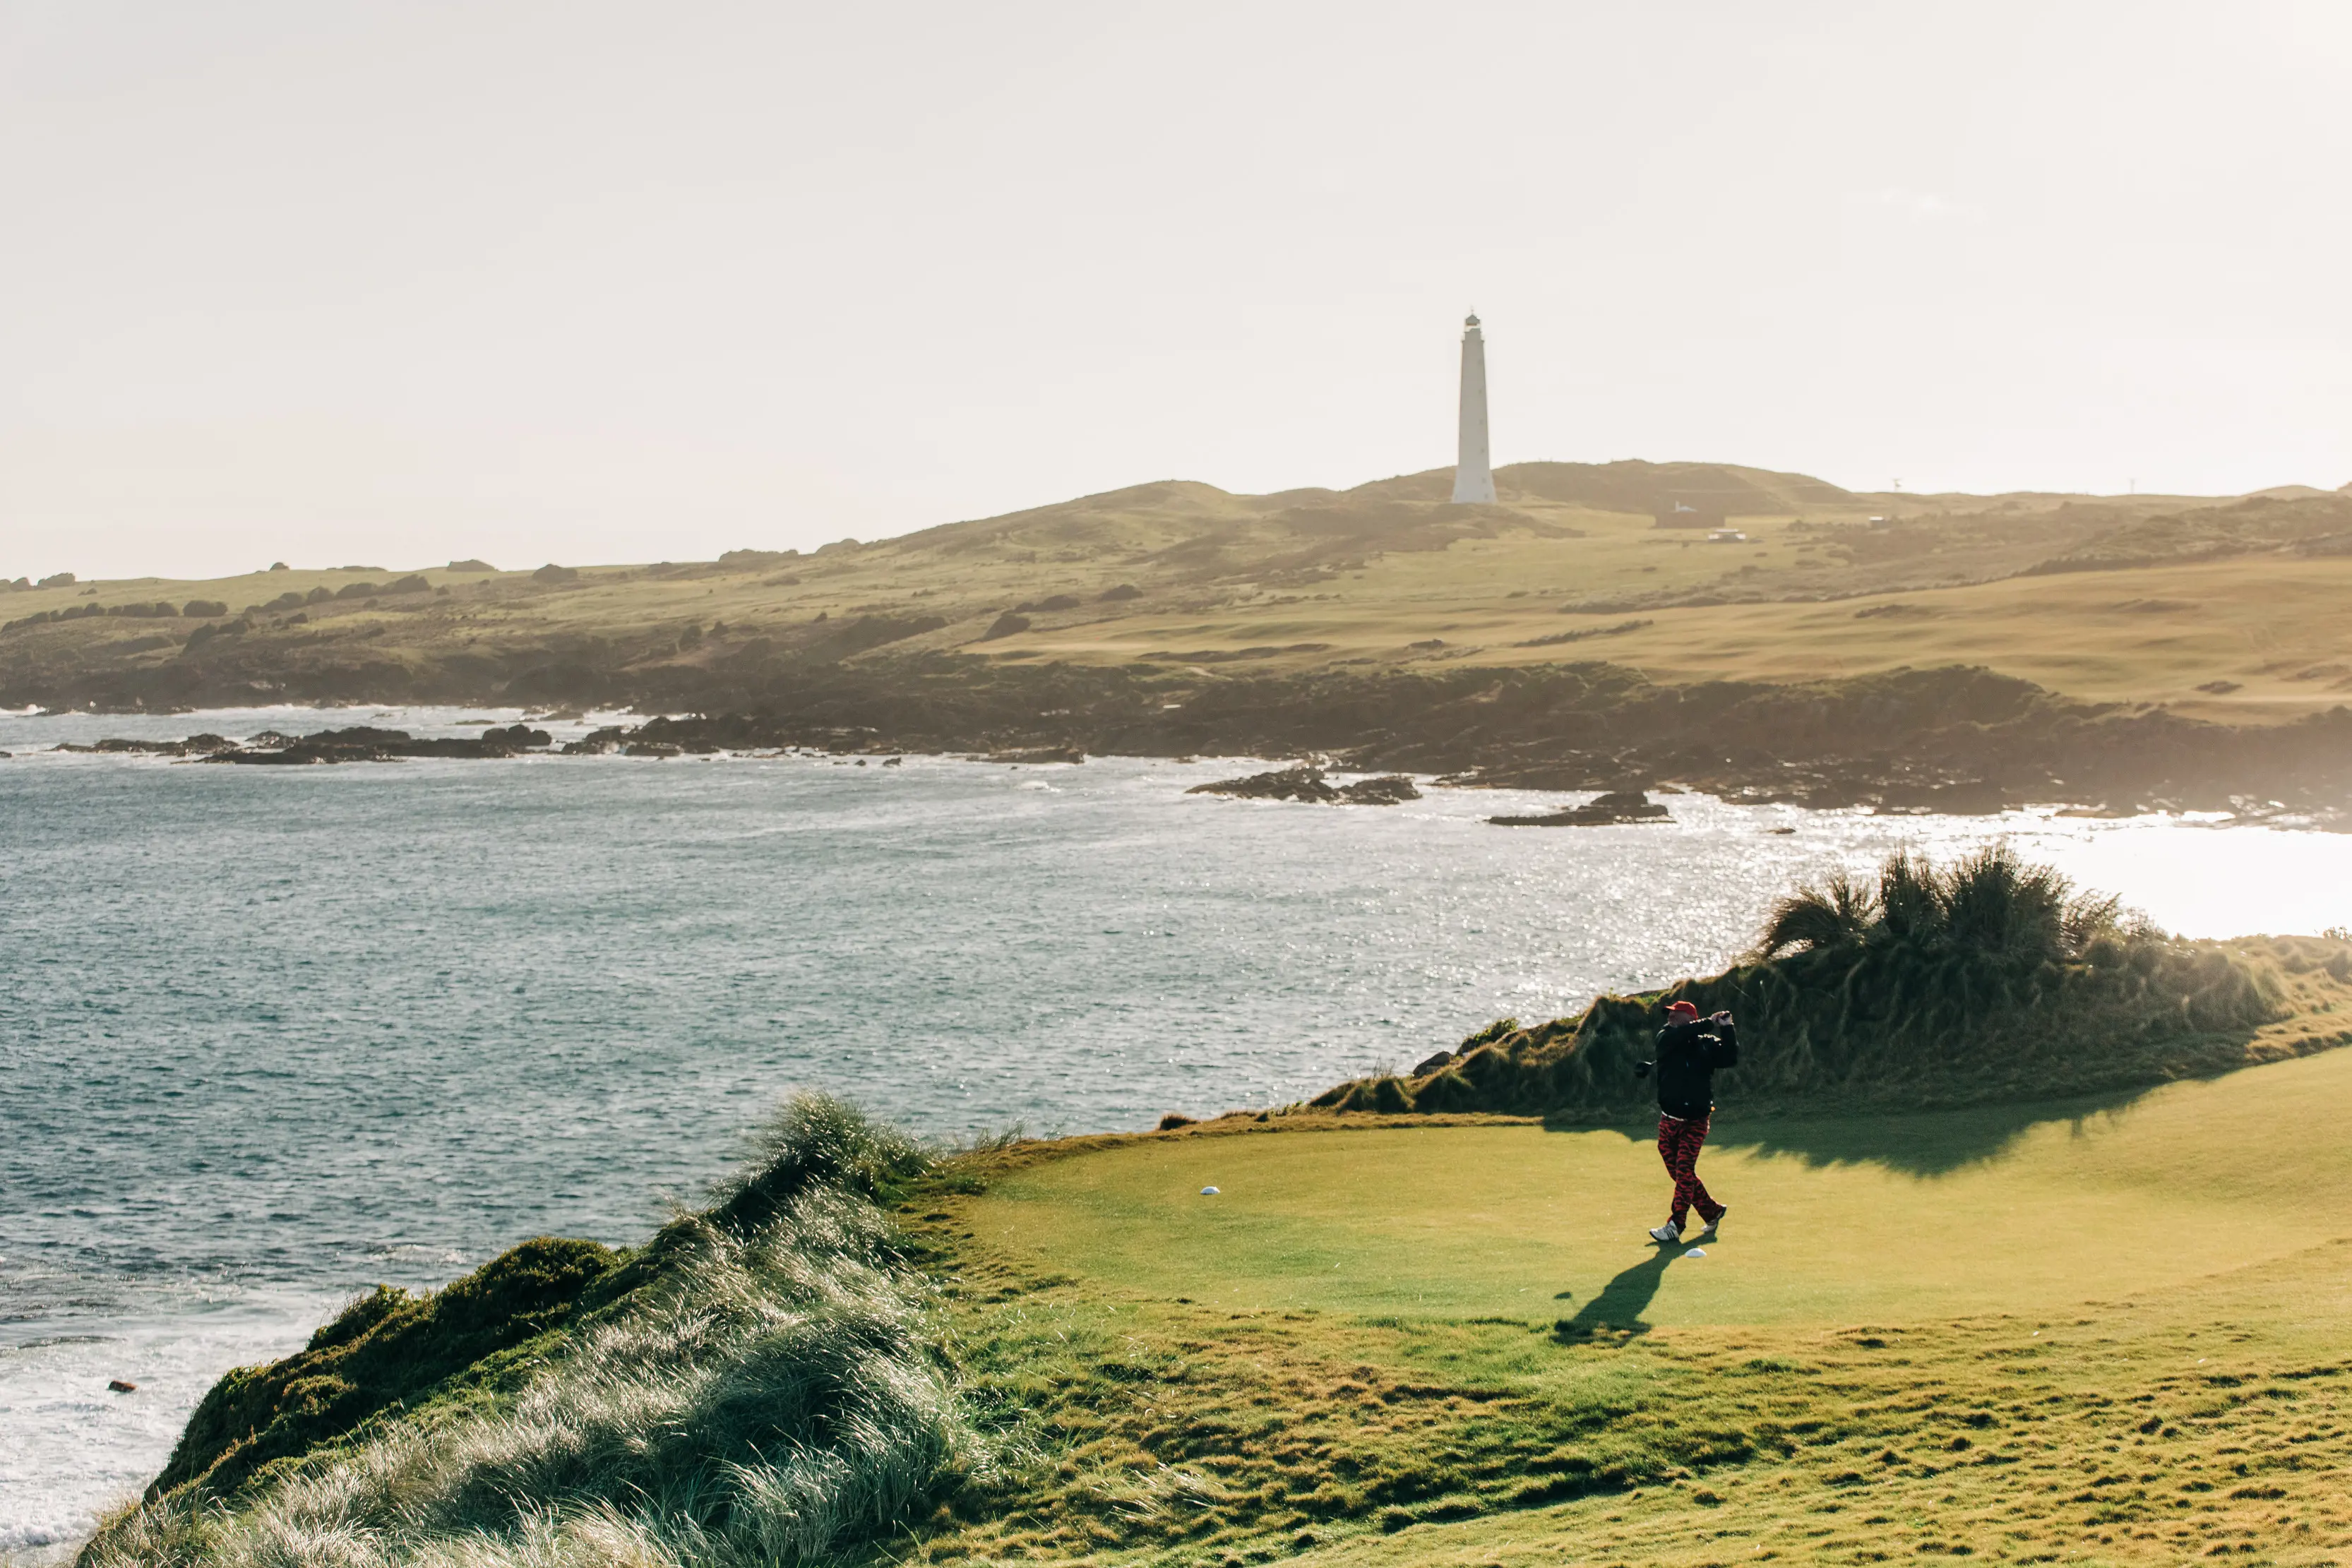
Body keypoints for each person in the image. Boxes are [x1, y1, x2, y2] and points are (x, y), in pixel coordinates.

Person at [1634, 999, 1737, 1244]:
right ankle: (1712, 1211)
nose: (1670, 1017)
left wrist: (1726, 1028)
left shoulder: (1706, 1045)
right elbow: (1683, 1035)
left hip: (1695, 1122)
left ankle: (1675, 1225)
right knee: (1682, 1175)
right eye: (1669, 1013)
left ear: (1689, 1017)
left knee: (1684, 1171)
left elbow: (1730, 1057)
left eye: (1675, 1014)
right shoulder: (1666, 1037)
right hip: (1668, 1121)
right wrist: (1707, 1023)